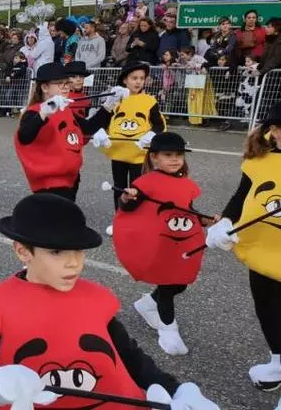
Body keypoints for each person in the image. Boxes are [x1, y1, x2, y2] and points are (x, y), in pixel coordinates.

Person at [0, 193, 220, 410]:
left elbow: (130, 355)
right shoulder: (0, 304)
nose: (73, 262)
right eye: (56, 252)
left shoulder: (96, 300)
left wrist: (175, 390)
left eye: (78, 251)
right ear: (23, 252)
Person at [204, 102, 281, 407]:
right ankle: (278, 359)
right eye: (277, 130)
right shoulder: (260, 161)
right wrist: (224, 221)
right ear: (271, 132)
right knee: (268, 309)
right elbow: (241, 196)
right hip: (262, 251)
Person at [113, 132, 216, 356]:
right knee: (169, 285)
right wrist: (127, 198)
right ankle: (168, 329)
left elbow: (187, 210)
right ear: (154, 158)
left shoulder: (186, 183)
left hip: (181, 243)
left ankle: (148, 303)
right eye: (168, 155)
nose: (175, 159)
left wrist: (204, 219)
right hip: (159, 243)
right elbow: (129, 208)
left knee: (181, 282)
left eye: (179, 154)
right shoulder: (144, 183)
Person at [14, 63, 119, 202]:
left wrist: (108, 106)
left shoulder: (65, 109)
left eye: (66, 83)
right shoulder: (34, 111)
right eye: (59, 83)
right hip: (50, 182)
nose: (65, 87)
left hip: (70, 177)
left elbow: (87, 128)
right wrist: (43, 113)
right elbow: (25, 136)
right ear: (44, 87)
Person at [91, 64, 166, 235]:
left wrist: (151, 135)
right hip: (118, 152)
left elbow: (159, 125)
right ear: (125, 80)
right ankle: (120, 218)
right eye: (134, 78)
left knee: (137, 188)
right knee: (118, 186)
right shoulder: (115, 99)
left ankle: (137, 219)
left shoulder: (149, 101)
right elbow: (102, 120)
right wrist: (100, 132)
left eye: (141, 78)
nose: (138, 82)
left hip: (139, 155)